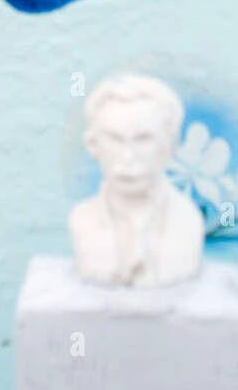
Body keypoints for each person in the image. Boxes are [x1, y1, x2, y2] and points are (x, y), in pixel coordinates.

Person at [69, 74, 204, 287]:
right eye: (114, 140)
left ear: (170, 145)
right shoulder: (82, 219)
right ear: (93, 145)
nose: (127, 158)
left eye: (143, 140)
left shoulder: (188, 221)